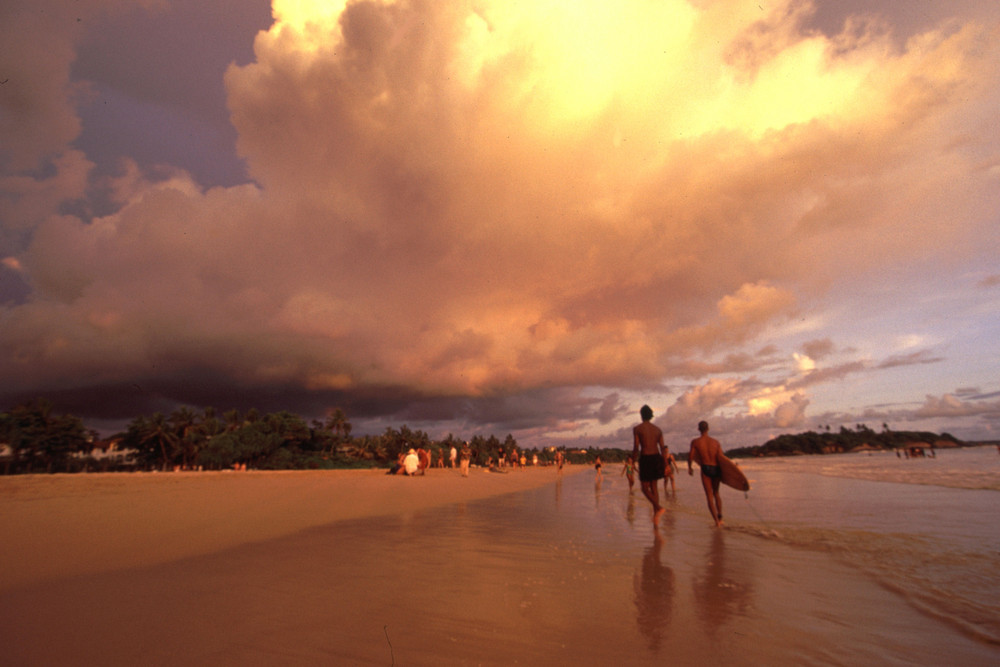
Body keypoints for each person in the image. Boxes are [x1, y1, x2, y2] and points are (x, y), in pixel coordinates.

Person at [632, 405, 667, 525]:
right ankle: (656, 518)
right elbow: (662, 448)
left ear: (641, 415)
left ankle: (658, 507)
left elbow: (636, 447)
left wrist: (633, 460)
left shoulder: (637, 429)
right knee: (654, 487)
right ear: (650, 415)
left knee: (644, 488)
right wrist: (666, 464)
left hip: (646, 458)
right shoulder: (658, 430)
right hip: (657, 457)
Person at [688, 421, 724, 527]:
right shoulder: (716, 442)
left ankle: (716, 522)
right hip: (716, 468)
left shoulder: (695, 442)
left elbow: (690, 457)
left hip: (706, 468)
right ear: (708, 428)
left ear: (699, 429)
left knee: (709, 496)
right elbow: (721, 458)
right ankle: (720, 515)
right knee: (716, 493)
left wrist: (690, 468)